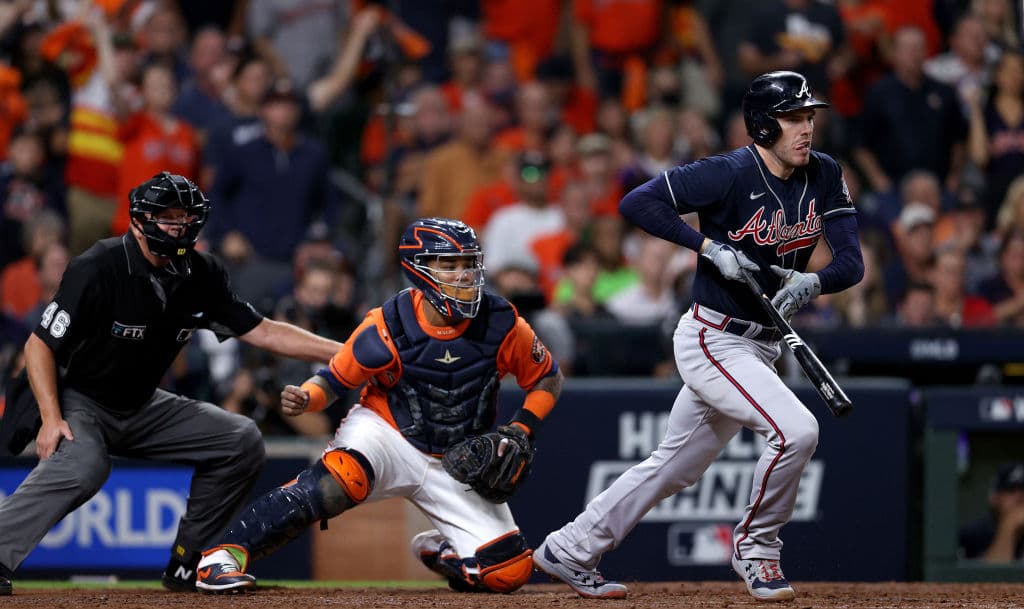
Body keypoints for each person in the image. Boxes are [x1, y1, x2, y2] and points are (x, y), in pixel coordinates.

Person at [533, 71, 864, 601]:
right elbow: (637, 202)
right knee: (797, 431)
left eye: (809, 117)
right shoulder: (727, 172)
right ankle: (757, 548)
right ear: (762, 125)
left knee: (673, 467)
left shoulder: (823, 173)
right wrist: (705, 247)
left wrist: (813, 283)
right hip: (713, 337)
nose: (807, 128)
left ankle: (570, 547)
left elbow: (851, 264)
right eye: (794, 118)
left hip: (763, 343)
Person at [0, 172, 342, 596]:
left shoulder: (201, 273)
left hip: (142, 404)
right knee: (85, 464)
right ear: (141, 221)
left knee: (240, 438)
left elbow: (266, 332)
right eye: (168, 218)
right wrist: (51, 418)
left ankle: (191, 561)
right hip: (81, 398)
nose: (178, 227)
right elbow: (38, 346)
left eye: (185, 218)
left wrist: (346, 351)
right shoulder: (98, 266)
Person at [193, 218, 563, 594]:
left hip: (459, 455)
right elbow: (335, 380)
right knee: (338, 482)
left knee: (507, 573)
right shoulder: (388, 323)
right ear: (418, 269)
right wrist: (309, 396)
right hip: (388, 434)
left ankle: (447, 550)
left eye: (468, 264)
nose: (463, 275)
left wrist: (522, 428)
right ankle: (223, 556)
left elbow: (547, 377)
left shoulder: (501, 322)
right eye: (449, 265)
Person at [960, 462, 1024, 561]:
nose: (1020, 497)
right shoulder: (973, 535)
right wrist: (1009, 526)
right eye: (1011, 490)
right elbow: (991, 576)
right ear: (994, 498)